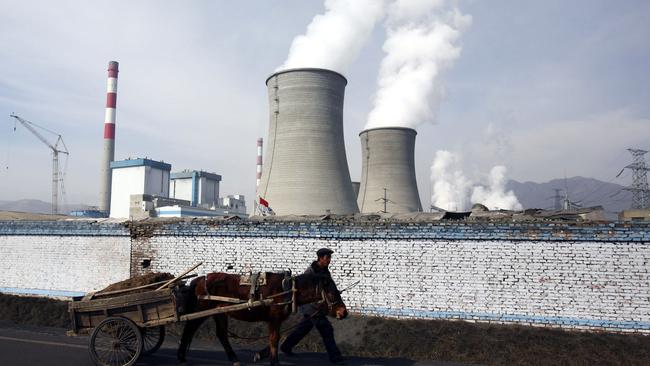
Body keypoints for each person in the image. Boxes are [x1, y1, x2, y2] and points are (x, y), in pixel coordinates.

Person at [261, 248, 345, 364]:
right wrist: (317, 304)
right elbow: (305, 292)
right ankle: (336, 358)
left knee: (303, 329)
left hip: (318, 306)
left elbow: (326, 288)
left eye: (330, 258)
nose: (329, 260)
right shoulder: (310, 272)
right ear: (320, 258)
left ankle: (286, 346)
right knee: (327, 330)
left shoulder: (325, 271)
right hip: (311, 307)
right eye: (327, 258)